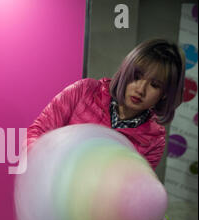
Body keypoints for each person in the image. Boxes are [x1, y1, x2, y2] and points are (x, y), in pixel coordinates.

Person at [27, 38, 186, 170]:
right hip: (51, 197)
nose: (140, 89)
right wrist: (49, 167)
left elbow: (131, 195)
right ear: (126, 71)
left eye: (154, 85)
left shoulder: (154, 141)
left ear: (165, 94)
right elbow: (36, 132)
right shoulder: (84, 91)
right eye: (136, 76)